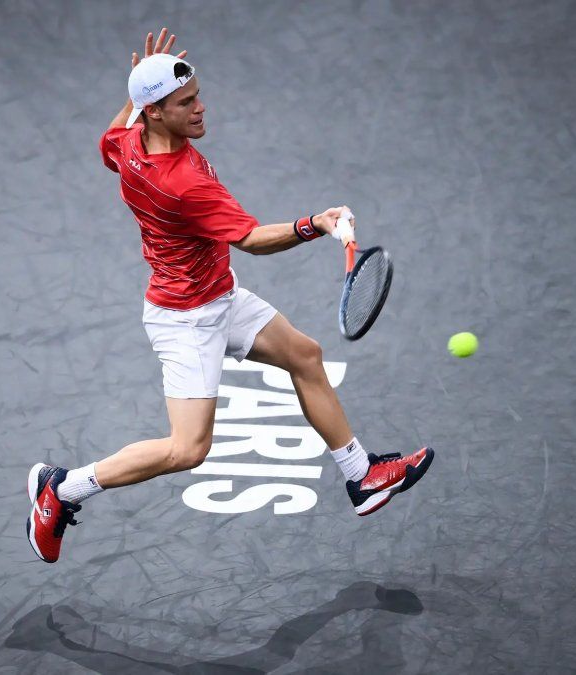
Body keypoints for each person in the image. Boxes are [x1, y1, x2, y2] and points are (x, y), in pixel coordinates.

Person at [26, 28, 433, 563]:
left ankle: (362, 477)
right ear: (156, 113)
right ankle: (62, 488)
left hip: (218, 295)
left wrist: (142, 83)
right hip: (187, 319)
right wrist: (317, 223)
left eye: (197, 96)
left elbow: (112, 133)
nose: (200, 109)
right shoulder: (183, 183)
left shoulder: (128, 143)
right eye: (185, 103)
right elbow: (252, 240)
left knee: (304, 355)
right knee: (187, 449)